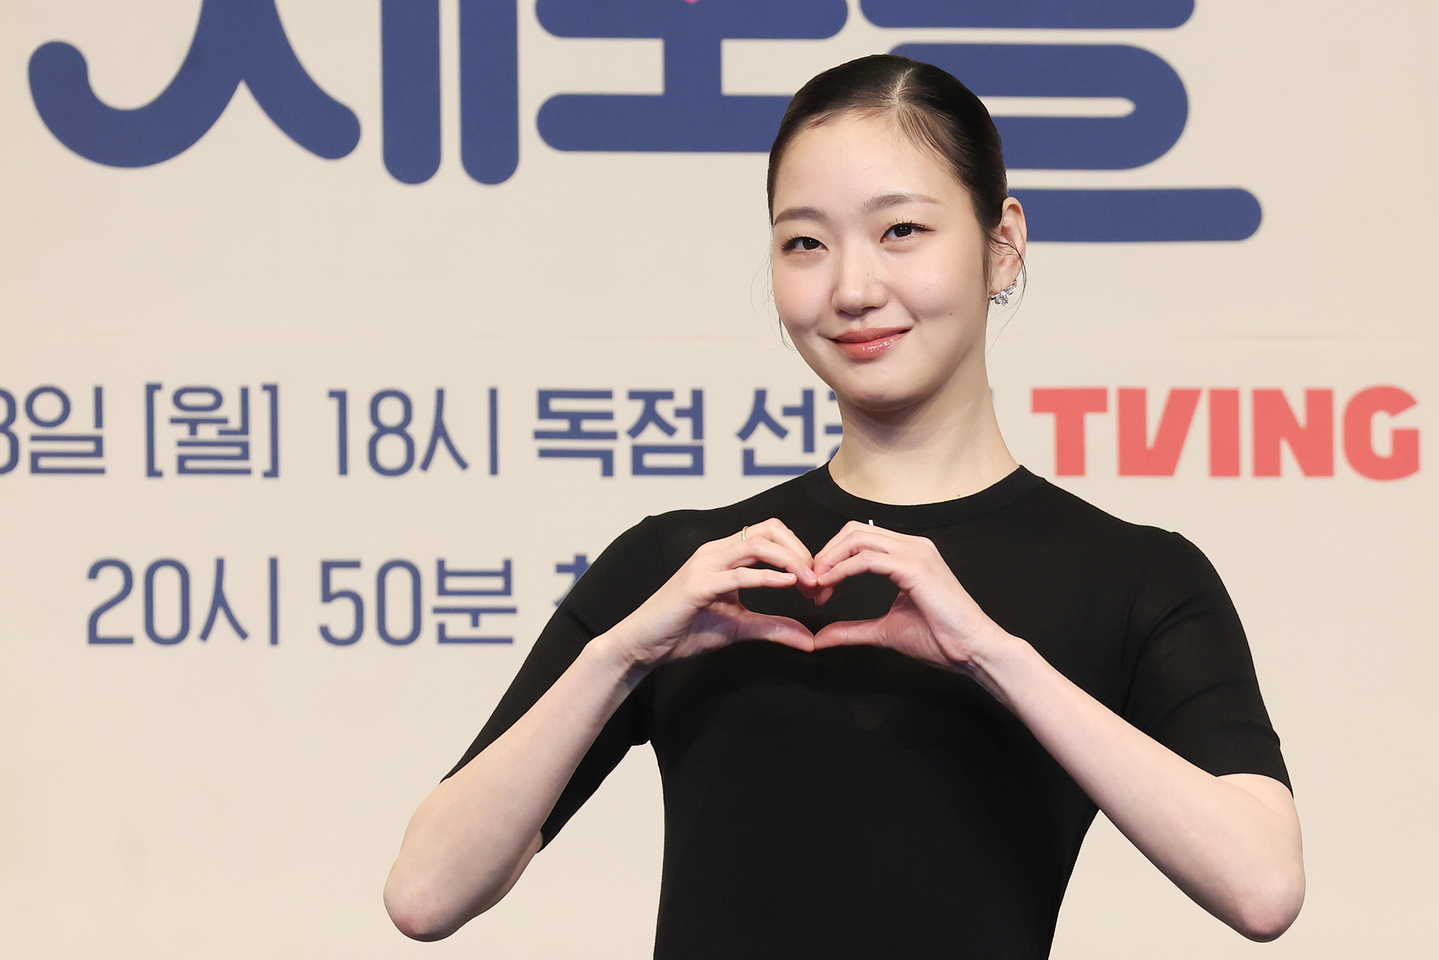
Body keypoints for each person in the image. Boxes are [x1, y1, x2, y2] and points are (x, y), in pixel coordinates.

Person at [383, 54, 1304, 958]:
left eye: (901, 230)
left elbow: (1261, 887)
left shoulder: (1131, 578)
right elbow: (426, 895)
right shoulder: (693, 566)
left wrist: (989, 654)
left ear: (1002, 243)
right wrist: (623, 653)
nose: (852, 289)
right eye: (804, 243)